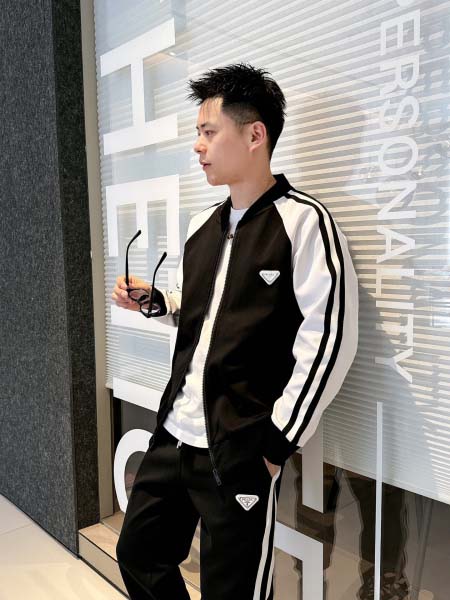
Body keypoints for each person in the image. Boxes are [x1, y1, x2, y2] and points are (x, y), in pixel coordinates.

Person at [112, 63, 359, 600]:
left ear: (254, 135)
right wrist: (158, 302)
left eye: (208, 131)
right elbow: (208, 313)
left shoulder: (304, 223)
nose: (197, 146)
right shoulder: (203, 225)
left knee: (233, 592)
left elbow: (330, 339)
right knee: (138, 554)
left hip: (238, 449)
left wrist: (275, 443)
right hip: (173, 434)